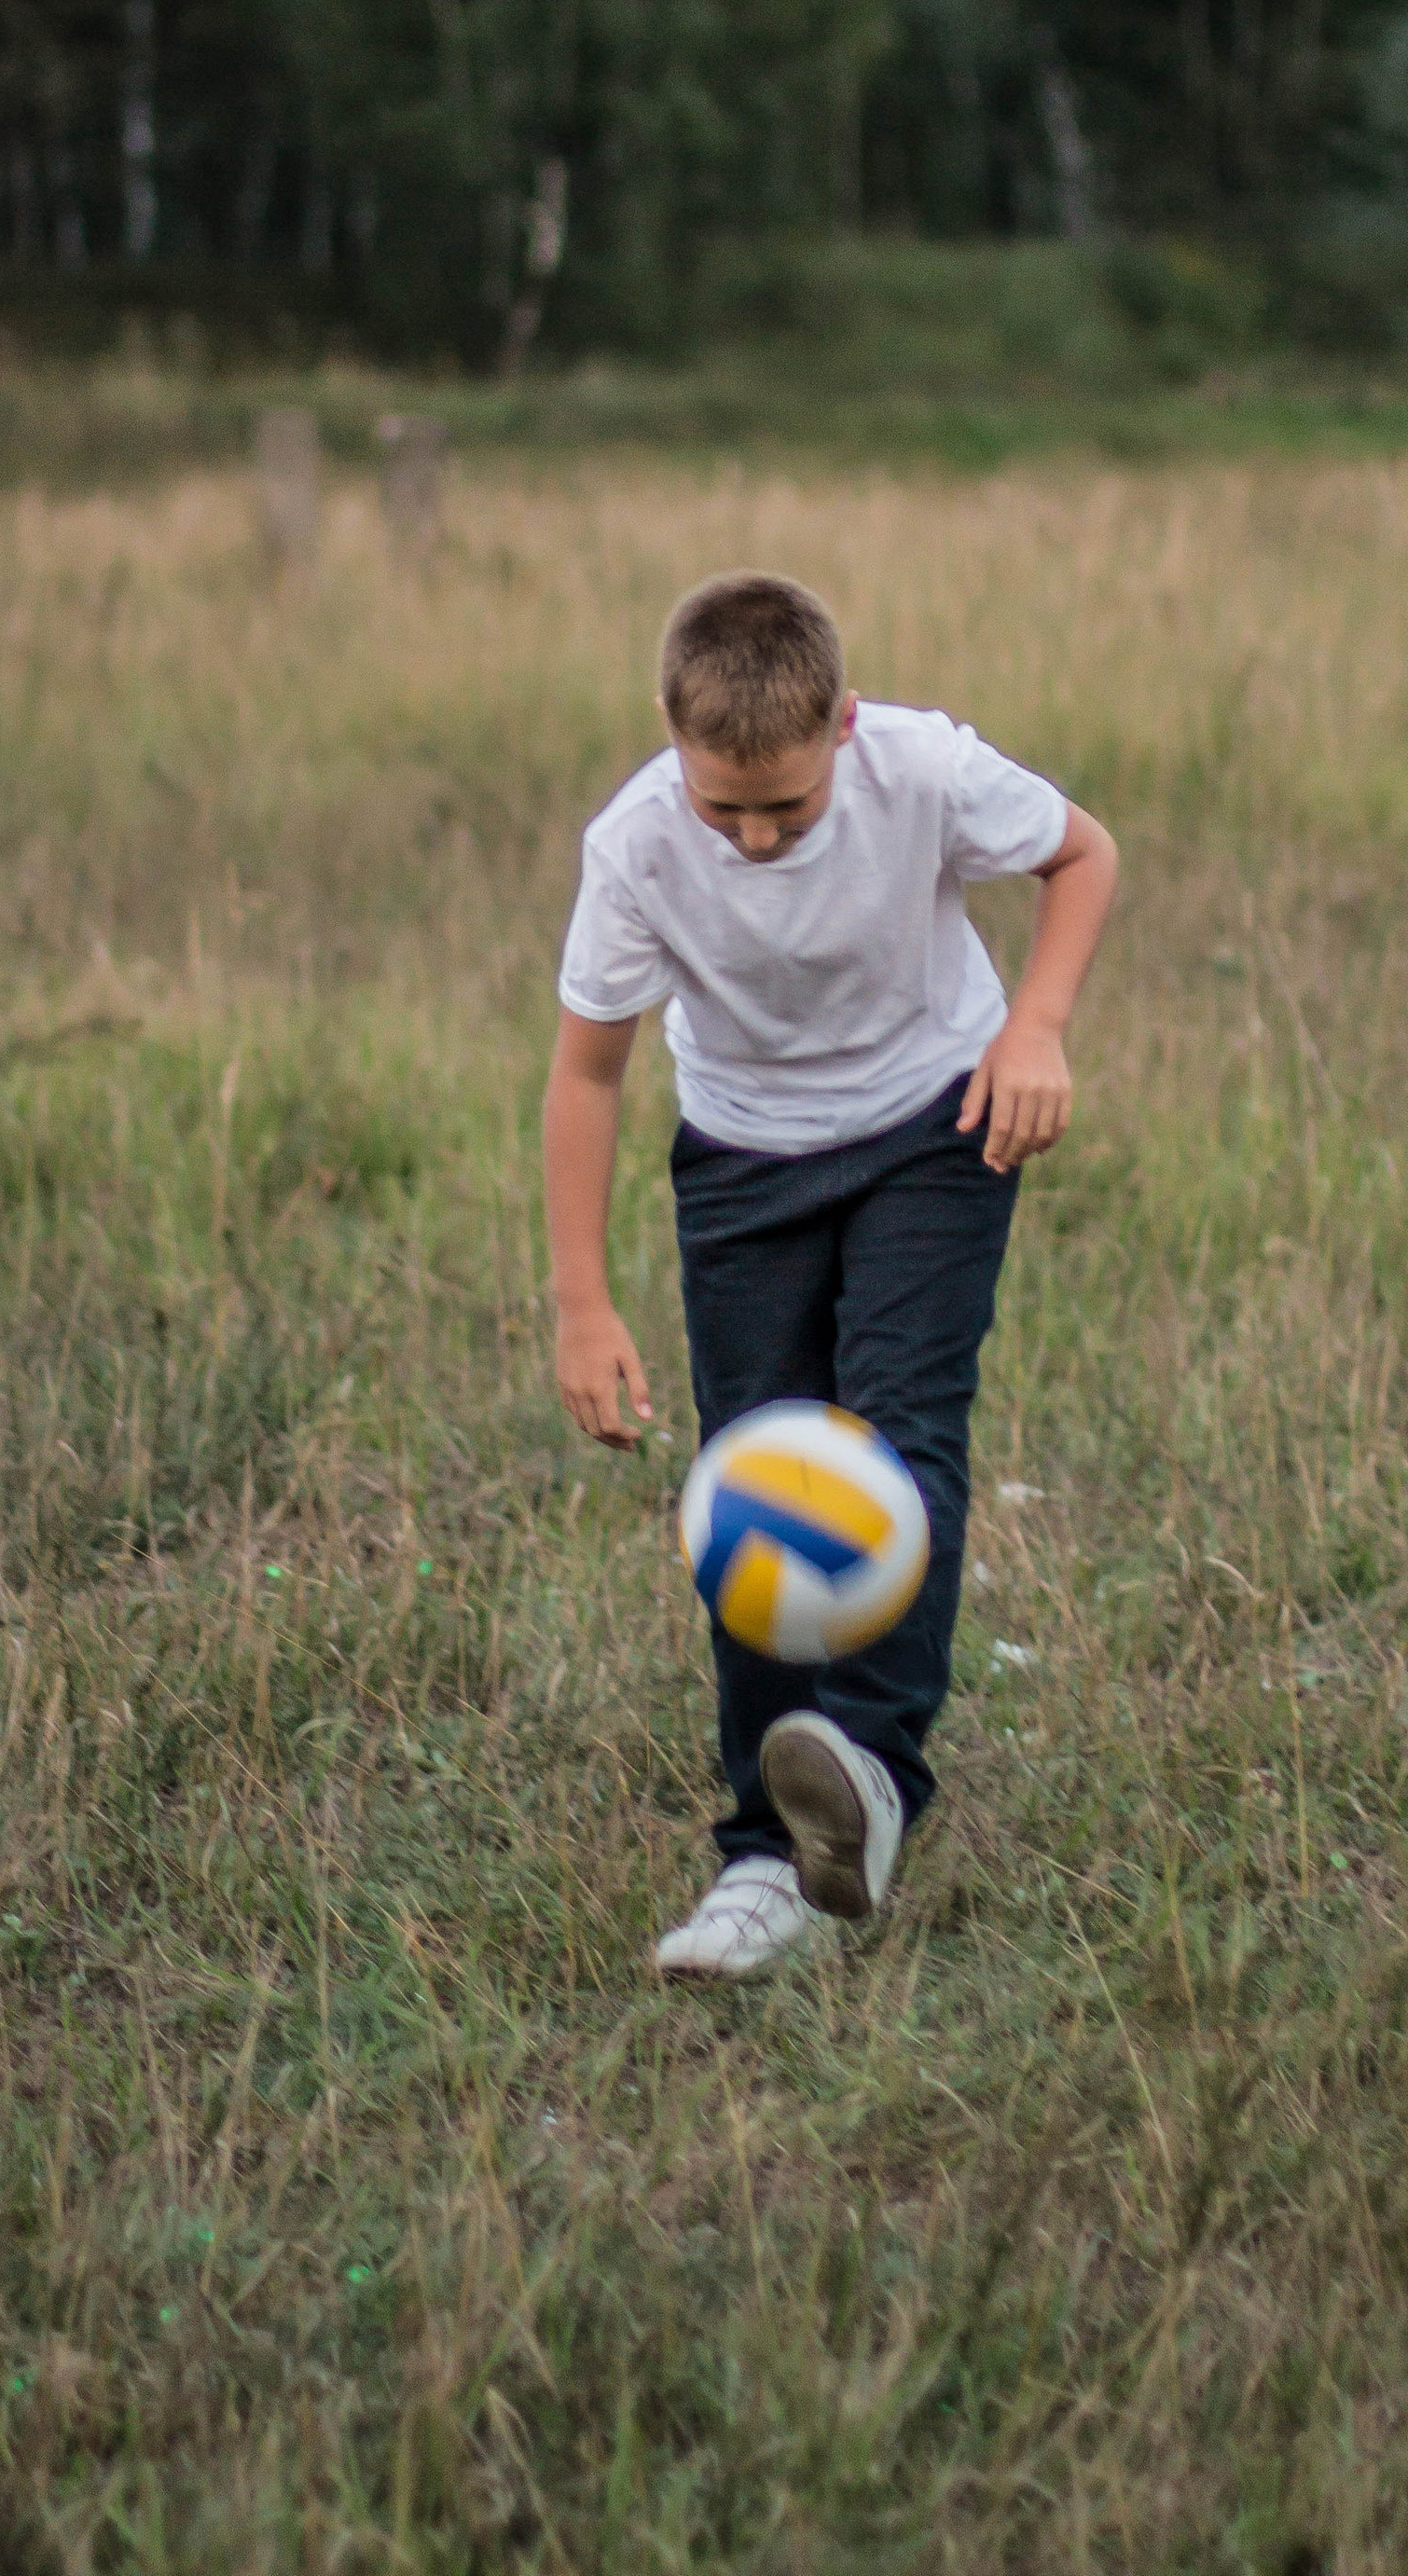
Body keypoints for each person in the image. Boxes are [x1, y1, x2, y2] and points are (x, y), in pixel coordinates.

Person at [543, 568, 1119, 1980]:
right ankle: (761, 1856)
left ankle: (865, 1773)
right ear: (671, 742)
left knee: (897, 1433)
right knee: (753, 1479)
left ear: (844, 728)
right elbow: (587, 1071)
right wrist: (579, 1301)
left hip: (937, 1125)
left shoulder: (920, 766)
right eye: (720, 803)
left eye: (785, 808)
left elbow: (1083, 852)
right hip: (744, 1167)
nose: (750, 836)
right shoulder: (634, 846)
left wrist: (1033, 1029)